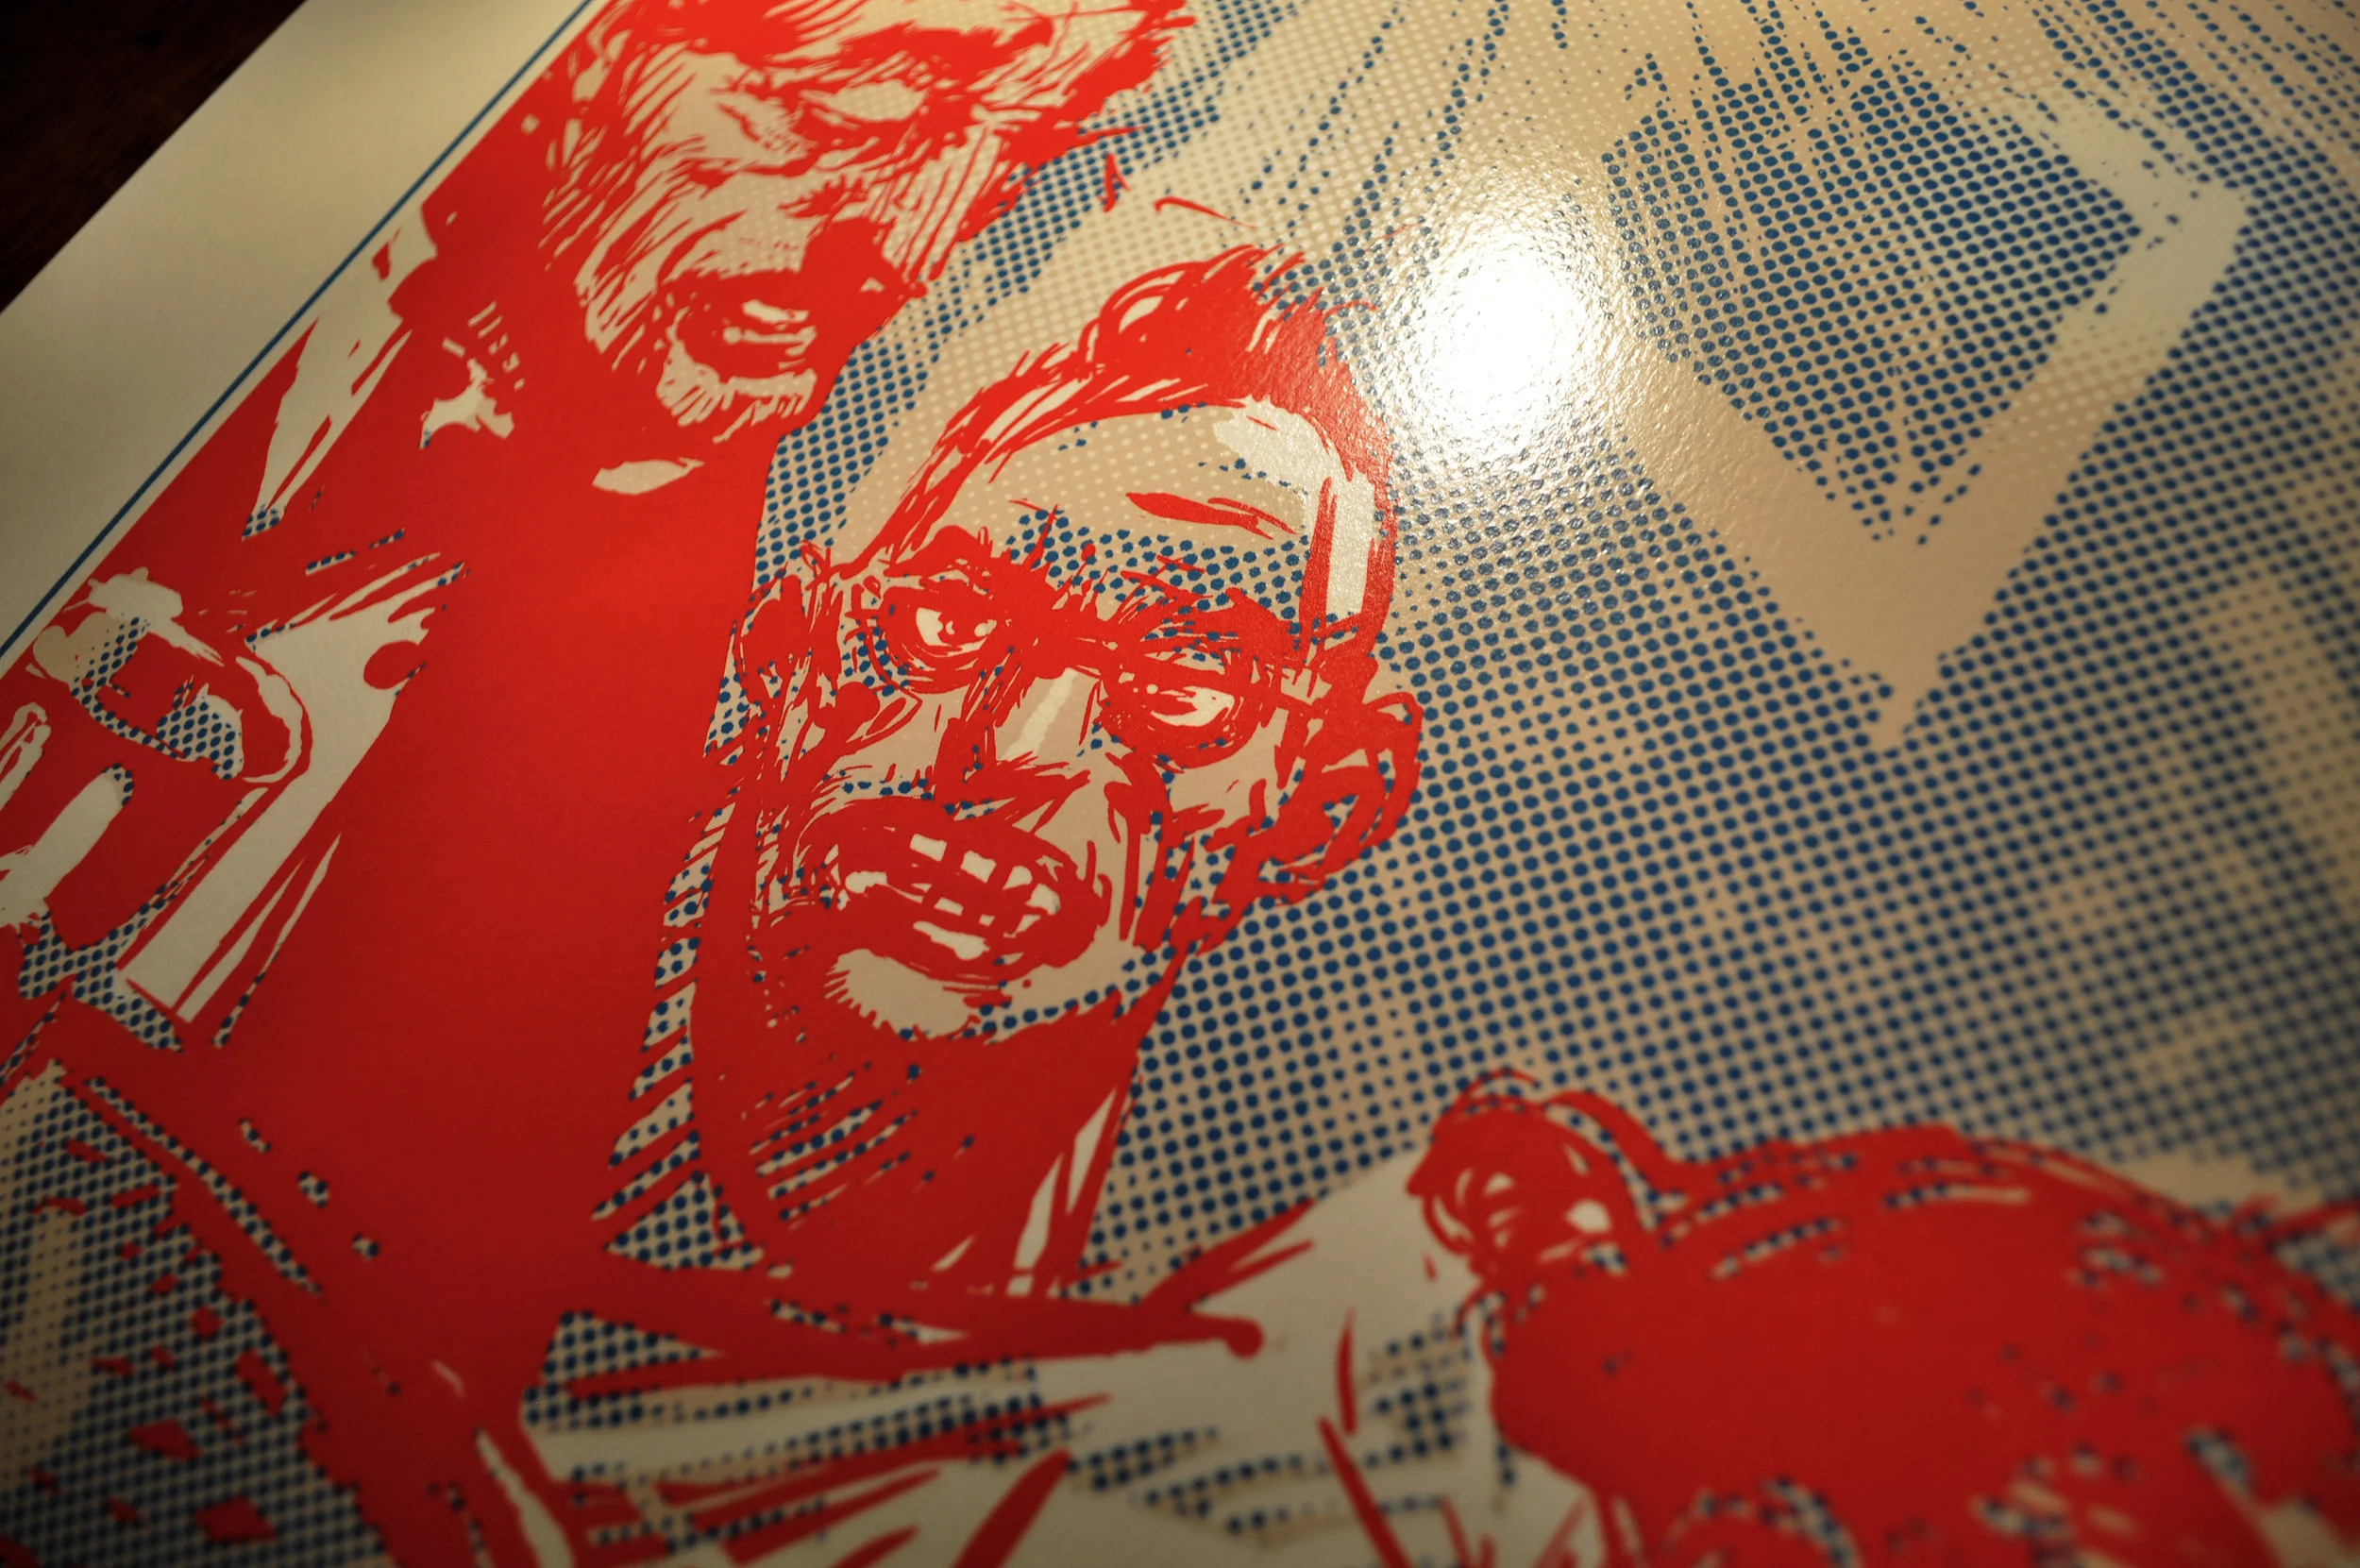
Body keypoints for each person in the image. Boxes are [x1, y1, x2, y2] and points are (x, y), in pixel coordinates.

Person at [0, 2, 1187, 1563]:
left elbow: (380, 1331)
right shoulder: (257, 266)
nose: (887, 257)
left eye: (976, 167)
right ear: (613, 79)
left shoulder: (741, 627)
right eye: (841, 133)